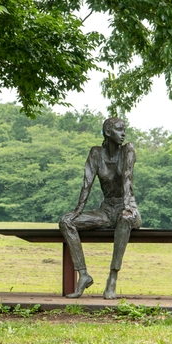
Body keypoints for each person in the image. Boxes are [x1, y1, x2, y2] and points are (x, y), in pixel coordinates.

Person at [59, 117, 141, 299]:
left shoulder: (128, 150)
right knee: (66, 221)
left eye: (124, 129)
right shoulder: (96, 154)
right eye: (119, 129)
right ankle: (83, 274)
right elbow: (87, 183)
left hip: (128, 208)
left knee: (125, 218)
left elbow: (127, 179)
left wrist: (127, 207)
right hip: (106, 210)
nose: (123, 133)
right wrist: (77, 211)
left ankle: (112, 278)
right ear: (107, 132)